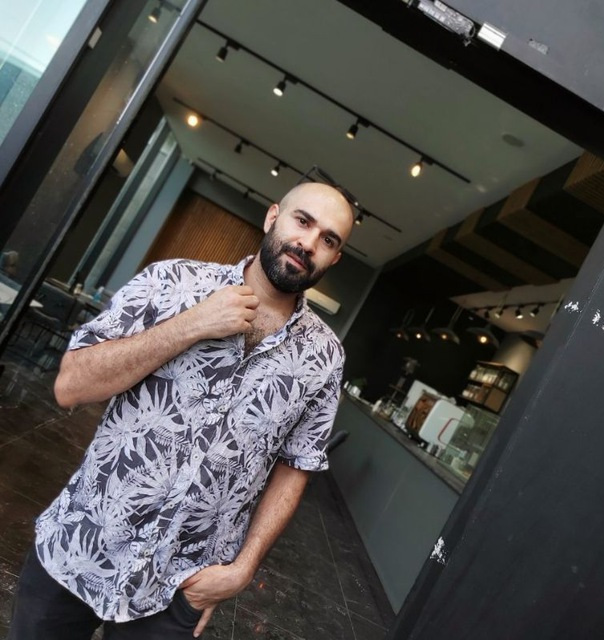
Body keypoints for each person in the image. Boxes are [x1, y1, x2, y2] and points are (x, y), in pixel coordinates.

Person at [8, 182, 354, 640]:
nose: (308, 243)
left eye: (328, 239)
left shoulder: (325, 358)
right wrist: (191, 324)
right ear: (273, 217)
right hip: (82, 545)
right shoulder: (173, 282)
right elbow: (71, 385)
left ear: (335, 258)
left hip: (179, 587)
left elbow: (297, 467)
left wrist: (243, 569)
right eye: (302, 221)